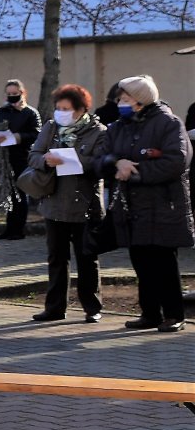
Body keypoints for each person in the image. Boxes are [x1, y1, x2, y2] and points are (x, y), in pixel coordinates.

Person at [91, 75, 191, 332]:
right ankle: (150, 313)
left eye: (124, 99)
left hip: (163, 205)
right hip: (131, 207)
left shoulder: (168, 123)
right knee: (140, 260)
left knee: (163, 262)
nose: (119, 104)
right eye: (119, 99)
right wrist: (116, 163)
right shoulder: (117, 127)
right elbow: (99, 159)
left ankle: (173, 314)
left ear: (141, 100)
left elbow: (176, 161)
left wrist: (134, 172)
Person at [18, 83, 107, 324]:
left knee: (87, 258)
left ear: (80, 109)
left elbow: (100, 163)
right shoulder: (51, 127)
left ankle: (92, 307)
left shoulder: (98, 131)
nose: (60, 112)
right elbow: (33, 154)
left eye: (66, 108)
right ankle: (55, 307)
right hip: (54, 202)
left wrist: (75, 160)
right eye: (58, 108)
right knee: (57, 258)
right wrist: (46, 160)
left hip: (85, 205)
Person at [0, 79, 40, 239]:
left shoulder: (30, 113)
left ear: (22, 93)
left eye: (14, 94)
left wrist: (18, 137)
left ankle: (18, 230)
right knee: (8, 193)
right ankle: (8, 229)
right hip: (3, 159)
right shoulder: (0, 112)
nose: (11, 97)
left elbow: (37, 134)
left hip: (22, 157)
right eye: (9, 94)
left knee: (20, 194)